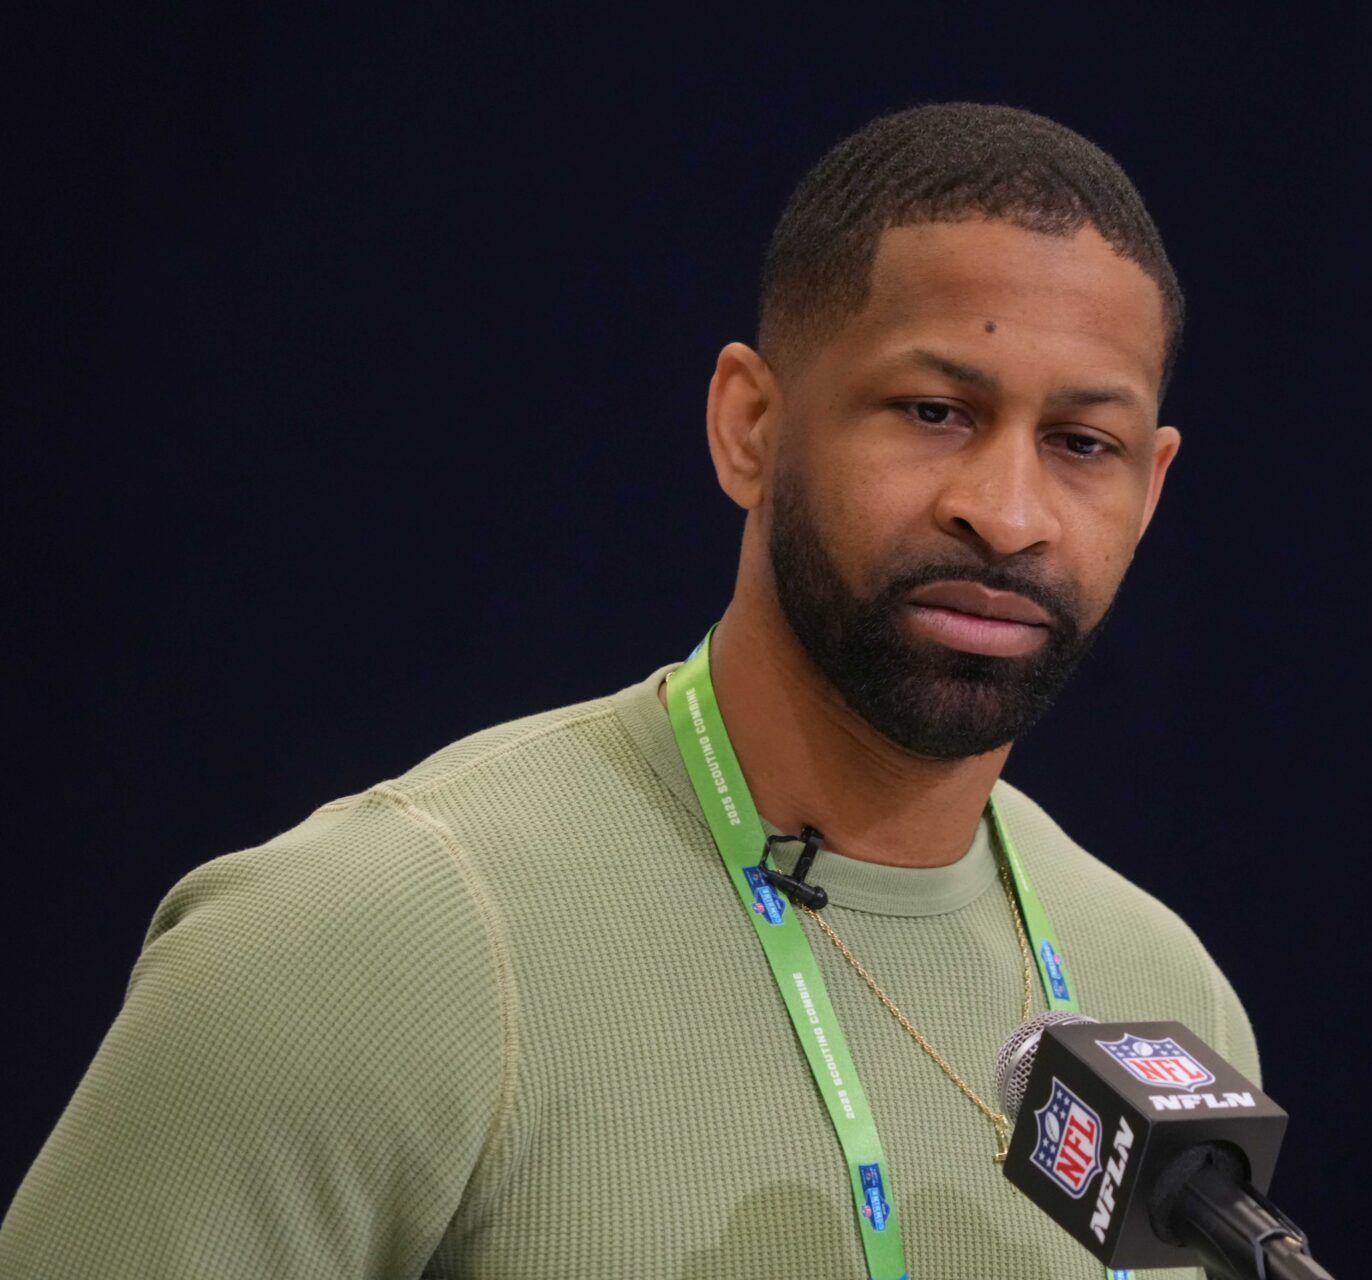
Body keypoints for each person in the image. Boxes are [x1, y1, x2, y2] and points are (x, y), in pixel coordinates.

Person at [0, 101, 1257, 1279]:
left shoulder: (1164, 994)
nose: (1007, 510)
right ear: (749, 426)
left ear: (1149, 489)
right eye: (933, 409)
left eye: (1081, 443)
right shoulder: (365, 939)